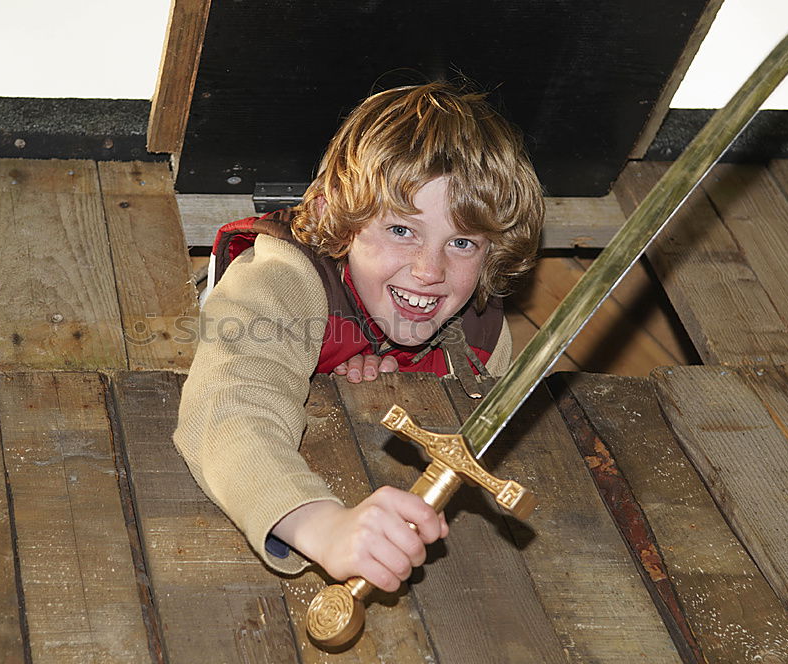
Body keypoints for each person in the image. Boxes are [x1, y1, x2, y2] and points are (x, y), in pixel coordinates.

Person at [173, 81, 545, 593]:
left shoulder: (481, 329)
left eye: (461, 243)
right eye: (401, 230)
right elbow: (228, 407)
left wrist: (404, 385)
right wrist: (322, 527)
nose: (429, 270)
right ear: (333, 215)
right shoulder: (281, 279)